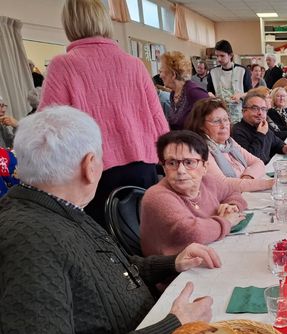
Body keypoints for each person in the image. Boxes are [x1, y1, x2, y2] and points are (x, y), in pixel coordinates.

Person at [0, 106, 218, 334]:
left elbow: (106, 271)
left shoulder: (57, 207)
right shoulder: (29, 237)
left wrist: (171, 263)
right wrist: (171, 331)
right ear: (90, 165)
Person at [38, 0, 168, 228]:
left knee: (106, 251)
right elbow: (159, 121)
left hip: (95, 173)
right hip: (143, 167)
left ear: (70, 23)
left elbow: (48, 127)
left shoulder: (64, 65)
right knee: (148, 239)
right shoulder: (134, 64)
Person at [141, 131, 246, 254]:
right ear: (164, 168)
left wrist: (232, 206)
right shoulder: (156, 196)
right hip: (181, 270)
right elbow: (191, 233)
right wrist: (227, 221)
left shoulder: (208, 181)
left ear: (205, 166)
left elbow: (233, 193)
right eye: (172, 163)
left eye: (189, 162)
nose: (180, 170)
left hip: (214, 250)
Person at [184, 98, 273, 192]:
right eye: (216, 121)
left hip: (245, 193)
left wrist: (248, 178)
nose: (224, 125)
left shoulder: (230, 142)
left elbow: (258, 162)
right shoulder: (200, 149)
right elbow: (223, 184)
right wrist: (270, 183)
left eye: (226, 120)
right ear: (200, 125)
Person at [231, 92, 287, 164]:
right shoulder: (237, 131)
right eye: (255, 108)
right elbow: (253, 160)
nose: (260, 113)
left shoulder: (262, 126)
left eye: (263, 109)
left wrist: (284, 148)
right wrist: (261, 134)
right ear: (244, 111)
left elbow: (277, 143)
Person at [160, 51, 209, 130]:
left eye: (161, 71)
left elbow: (212, 119)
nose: (160, 75)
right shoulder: (173, 94)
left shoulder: (194, 92)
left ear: (173, 74)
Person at [207, 40, 252, 124]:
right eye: (217, 56)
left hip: (239, 114)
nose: (219, 59)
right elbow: (209, 91)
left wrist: (240, 95)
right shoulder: (213, 72)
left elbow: (250, 92)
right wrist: (211, 96)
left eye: (222, 56)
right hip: (220, 113)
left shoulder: (242, 70)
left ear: (230, 55)